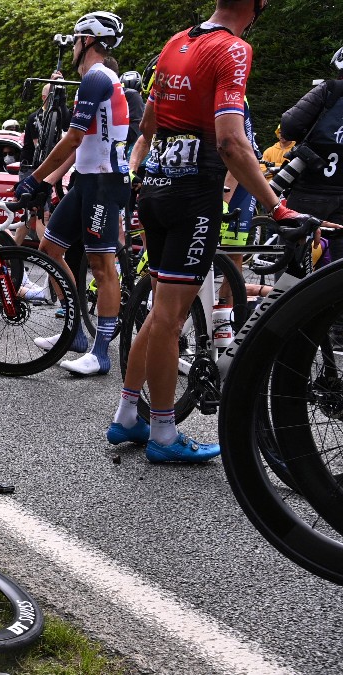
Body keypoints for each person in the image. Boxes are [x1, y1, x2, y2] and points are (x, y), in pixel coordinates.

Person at [109, 0, 322, 462]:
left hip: (157, 191)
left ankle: (128, 413)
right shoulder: (234, 49)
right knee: (169, 321)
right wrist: (276, 207)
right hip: (193, 197)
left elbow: (148, 123)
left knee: (160, 311)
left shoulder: (175, 42)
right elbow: (230, 140)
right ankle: (164, 436)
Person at [17, 11, 131, 377]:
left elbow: (74, 137)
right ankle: (76, 334)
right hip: (86, 180)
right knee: (50, 250)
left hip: (105, 181)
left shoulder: (97, 78)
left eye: (76, 40)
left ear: (88, 42)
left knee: (101, 265)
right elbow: (82, 146)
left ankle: (101, 353)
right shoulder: (94, 80)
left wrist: (36, 178)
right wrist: (51, 179)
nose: (72, 47)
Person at [281, 46, 343, 261]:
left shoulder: (330, 90)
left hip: (311, 186)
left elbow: (289, 127)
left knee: (294, 250)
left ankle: (288, 294)